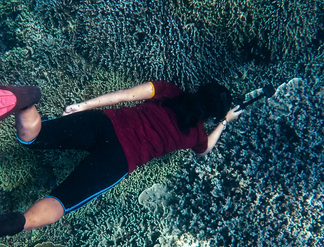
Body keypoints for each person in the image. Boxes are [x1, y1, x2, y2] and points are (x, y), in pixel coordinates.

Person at [12, 80, 244, 234]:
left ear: (200, 89)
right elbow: (206, 150)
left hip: (104, 122)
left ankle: (24, 103)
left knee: (35, 136)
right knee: (62, 201)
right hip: (119, 158)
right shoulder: (196, 135)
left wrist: (83, 106)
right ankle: (16, 224)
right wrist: (224, 122)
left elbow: (125, 95)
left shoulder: (169, 90)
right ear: (211, 115)